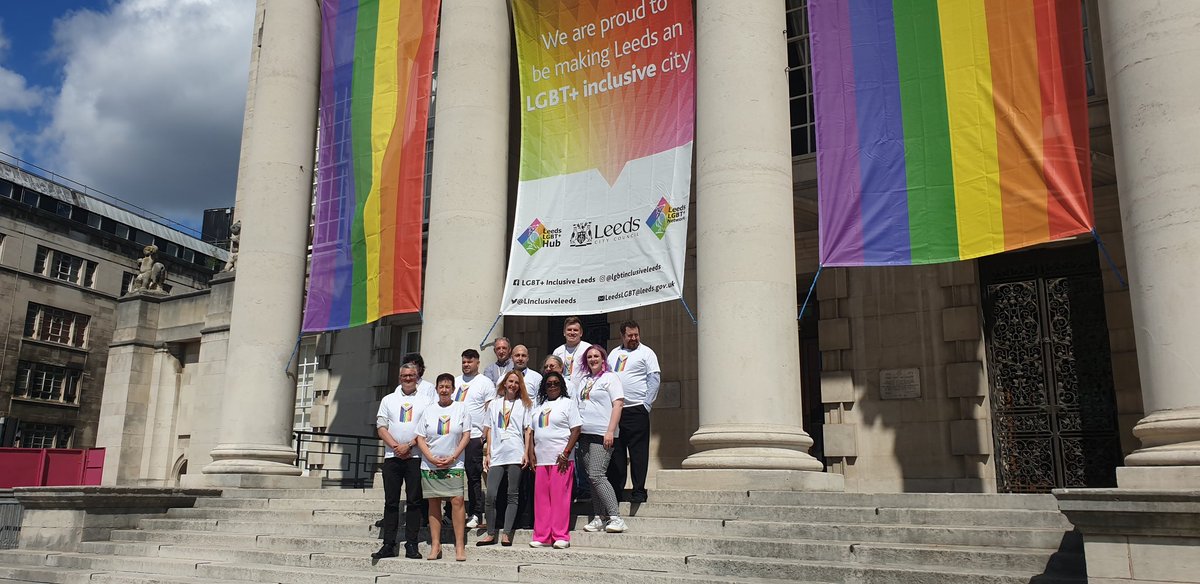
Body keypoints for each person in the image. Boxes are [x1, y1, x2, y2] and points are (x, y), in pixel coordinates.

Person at [373, 363, 432, 560]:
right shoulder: (388, 399)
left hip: (415, 457)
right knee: (391, 502)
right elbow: (381, 426)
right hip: (392, 458)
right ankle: (388, 544)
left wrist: (409, 445)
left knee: (415, 502)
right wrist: (397, 447)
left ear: (417, 377)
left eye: (411, 375)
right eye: (404, 375)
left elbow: (426, 428)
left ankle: (412, 545)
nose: (408, 378)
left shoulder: (426, 400)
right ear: (400, 377)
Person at [415, 373, 471, 561]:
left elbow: (466, 435)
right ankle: (435, 545)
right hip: (431, 464)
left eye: (448, 387)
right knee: (434, 502)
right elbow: (420, 437)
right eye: (441, 387)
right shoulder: (428, 410)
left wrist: (454, 456)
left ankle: (460, 546)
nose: (444, 390)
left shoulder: (461, 409)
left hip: (454, 463)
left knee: (457, 501)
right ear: (437, 389)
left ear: (453, 389)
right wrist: (430, 457)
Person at [606, 321, 661, 503]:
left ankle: (639, 490)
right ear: (622, 336)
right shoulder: (614, 354)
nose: (634, 338)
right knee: (617, 453)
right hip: (617, 410)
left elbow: (654, 379)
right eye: (630, 335)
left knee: (638, 453)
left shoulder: (646, 353)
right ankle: (617, 491)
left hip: (637, 409)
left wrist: (646, 405)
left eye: (636, 335)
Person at [476, 371, 533, 546]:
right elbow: (490, 428)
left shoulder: (525, 404)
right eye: (510, 381)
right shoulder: (494, 404)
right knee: (491, 495)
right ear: (504, 383)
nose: (513, 385)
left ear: (520, 385)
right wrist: (488, 453)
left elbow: (527, 430)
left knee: (512, 494)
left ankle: (507, 533)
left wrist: (526, 452)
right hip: (497, 453)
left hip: (515, 452)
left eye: (517, 382)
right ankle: (491, 533)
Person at [575, 345, 626, 533]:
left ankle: (616, 517)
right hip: (584, 433)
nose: (593, 359)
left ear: (603, 358)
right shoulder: (584, 380)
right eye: (589, 356)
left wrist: (610, 431)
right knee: (591, 478)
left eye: (596, 356)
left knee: (597, 475)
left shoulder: (610, 378)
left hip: (602, 433)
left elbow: (618, 404)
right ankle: (599, 516)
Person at [529, 371, 581, 549]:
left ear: (562, 385)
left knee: (560, 498)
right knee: (542, 499)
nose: (552, 386)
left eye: (556, 383)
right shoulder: (538, 407)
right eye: (549, 383)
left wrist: (566, 452)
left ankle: (560, 535)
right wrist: (531, 454)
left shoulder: (568, 404)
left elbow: (576, 429)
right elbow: (532, 432)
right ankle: (542, 535)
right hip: (541, 459)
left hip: (561, 459)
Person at [453, 349, 495, 529]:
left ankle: (476, 513)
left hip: (475, 436)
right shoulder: (454, 381)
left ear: (478, 362)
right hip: (454, 437)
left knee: (473, 476)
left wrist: (485, 433)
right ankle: (451, 512)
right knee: (454, 476)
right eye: (464, 362)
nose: (466, 365)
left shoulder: (485, 383)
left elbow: (489, 410)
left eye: (470, 362)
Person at [552, 317, 591, 382]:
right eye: (569, 330)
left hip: (581, 389)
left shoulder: (588, 349)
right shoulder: (557, 351)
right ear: (564, 332)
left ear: (581, 333)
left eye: (575, 330)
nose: (572, 333)